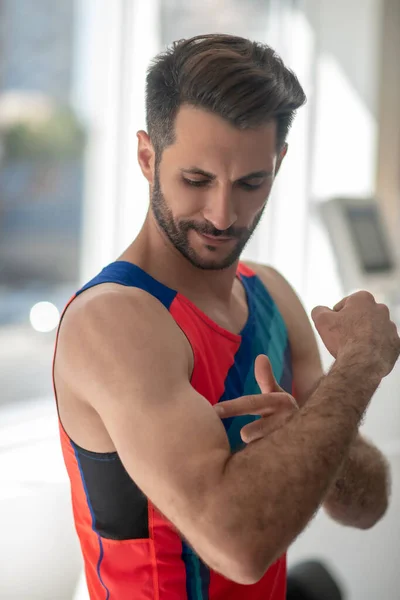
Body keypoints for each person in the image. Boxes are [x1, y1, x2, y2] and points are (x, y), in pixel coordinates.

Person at [53, 33, 400, 600]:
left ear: (278, 164)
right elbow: (238, 547)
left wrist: (306, 434)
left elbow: (367, 505)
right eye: (196, 180)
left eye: (250, 183)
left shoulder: (270, 293)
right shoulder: (115, 320)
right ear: (147, 157)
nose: (222, 214)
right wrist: (360, 365)